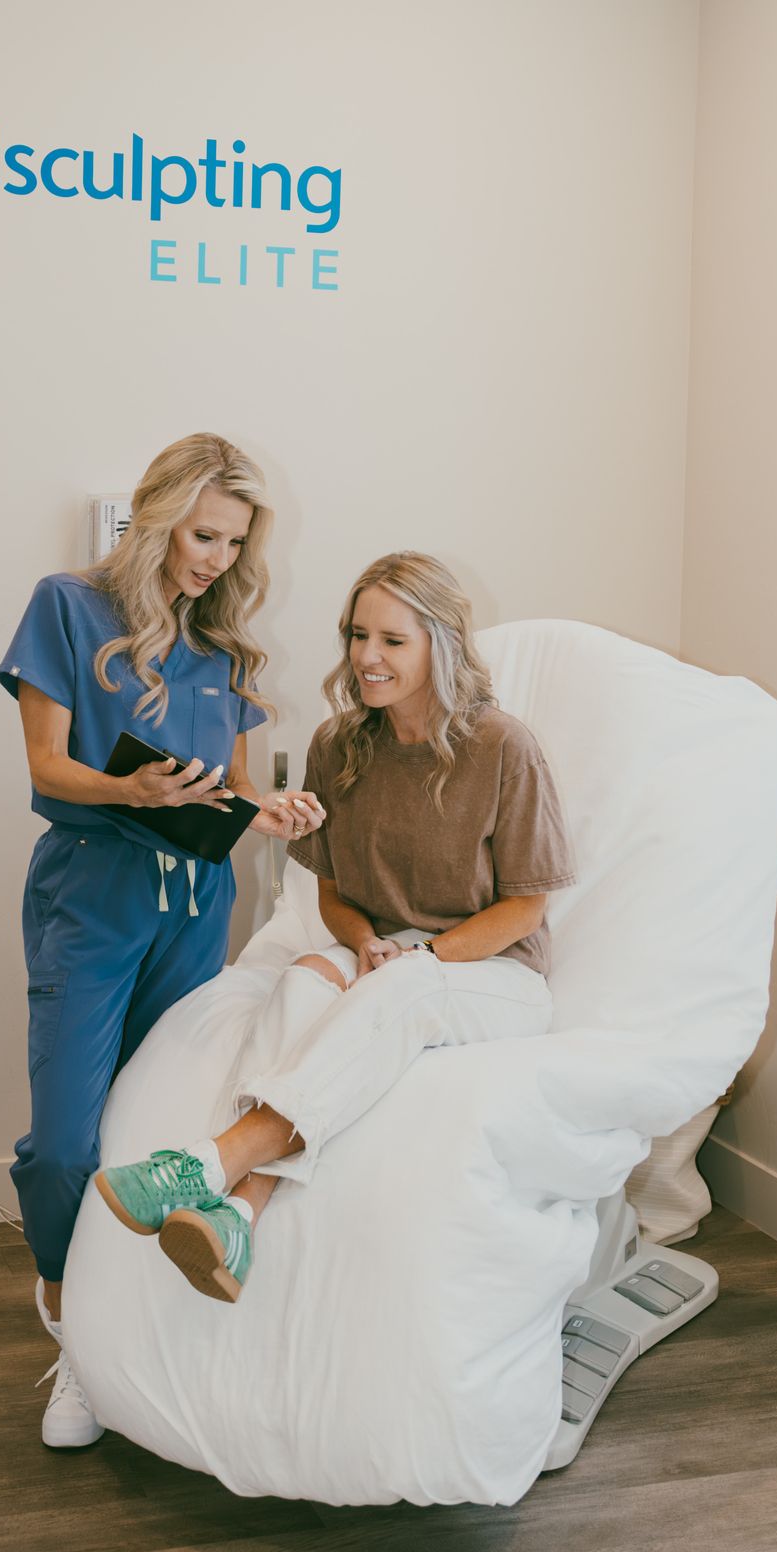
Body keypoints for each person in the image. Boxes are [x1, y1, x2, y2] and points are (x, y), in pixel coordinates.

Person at [96, 551, 573, 1302]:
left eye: (392, 640)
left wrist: (423, 956)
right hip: (387, 959)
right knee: (301, 982)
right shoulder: (341, 745)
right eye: (358, 636)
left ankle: (206, 1163)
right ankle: (238, 1217)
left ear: (440, 644)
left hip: (495, 974)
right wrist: (362, 943)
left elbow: (526, 908)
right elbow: (333, 893)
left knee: (405, 986)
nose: (367, 658)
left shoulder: (502, 746)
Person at [0, 434, 324, 1440]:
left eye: (234, 543)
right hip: (93, 897)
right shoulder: (68, 607)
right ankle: (67, 1320)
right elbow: (48, 769)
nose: (218, 559)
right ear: (159, 517)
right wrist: (127, 787)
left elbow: (231, 788)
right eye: (204, 533)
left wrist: (268, 814)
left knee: (157, 1137)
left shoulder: (223, 652)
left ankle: (125, 1356)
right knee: (64, 1147)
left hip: (196, 907)